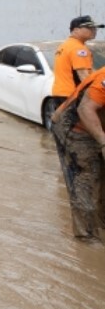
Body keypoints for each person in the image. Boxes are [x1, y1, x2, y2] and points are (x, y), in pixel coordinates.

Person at [51, 68, 105, 240]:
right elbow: (86, 109)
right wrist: (103, 142)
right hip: (75, 129)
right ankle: (87, 238)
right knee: (87, 178)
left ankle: (101, 228)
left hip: (97, 127)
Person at [51, 15, 103, 192]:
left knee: (67, 138)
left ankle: (69, 174)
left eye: (95, 28)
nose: (94, 31)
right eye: (89, 27)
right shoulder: (79, 49)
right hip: (72, 98)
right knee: (81, 141)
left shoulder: (65, 45)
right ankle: (79, 178)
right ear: (76, 30)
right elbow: (85, 79)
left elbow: (90, 73)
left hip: (61, 95)